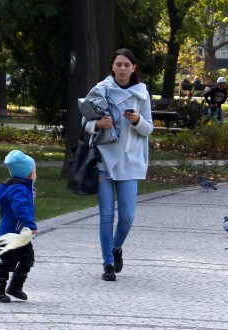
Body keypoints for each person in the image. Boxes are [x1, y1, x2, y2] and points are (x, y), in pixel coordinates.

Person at [84, 48, 153, 281]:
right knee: (106, 215)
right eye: (118, 64)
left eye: (127, 65)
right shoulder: (100, 90)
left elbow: (149, 129)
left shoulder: (141, 94)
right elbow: (85, 122)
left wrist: (137, 120)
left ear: (133, 68)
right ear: (112, 67)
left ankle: (115, 247)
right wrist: (97, 125)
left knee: (127, 216)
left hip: (131, 161)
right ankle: (108, 264)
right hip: (104, 160)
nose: (122, 69)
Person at [0, 149, 37, 302]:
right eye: (34, 170)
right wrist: (30, 224)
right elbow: (20, 209)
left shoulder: (22, 187)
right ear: (29, 174)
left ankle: (15, 287)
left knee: (27, 259)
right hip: (10, 235)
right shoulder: (19, 189)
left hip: (21, 235)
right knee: (8, 262)